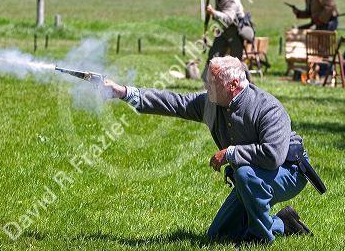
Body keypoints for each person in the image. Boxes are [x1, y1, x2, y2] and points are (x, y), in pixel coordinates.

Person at [105, 56, 313, 244]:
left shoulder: (268, 108)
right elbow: (174, 102)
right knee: (218, 235)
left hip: (288, 172)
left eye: (212, 82)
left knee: (243, 172)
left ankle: (259, 238)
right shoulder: (212, 102)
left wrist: (231, 153)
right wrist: (123, 92)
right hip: (251, 177)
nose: (205, 85)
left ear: (233, 85)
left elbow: (273, 156)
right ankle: (284, 224)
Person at [201, 0, 247, 81]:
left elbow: (228, 19)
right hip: (224, 31)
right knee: (213, 55)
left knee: (236, 62)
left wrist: (213, 12)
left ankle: (247, 83)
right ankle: (207, 82)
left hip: (235, 32)